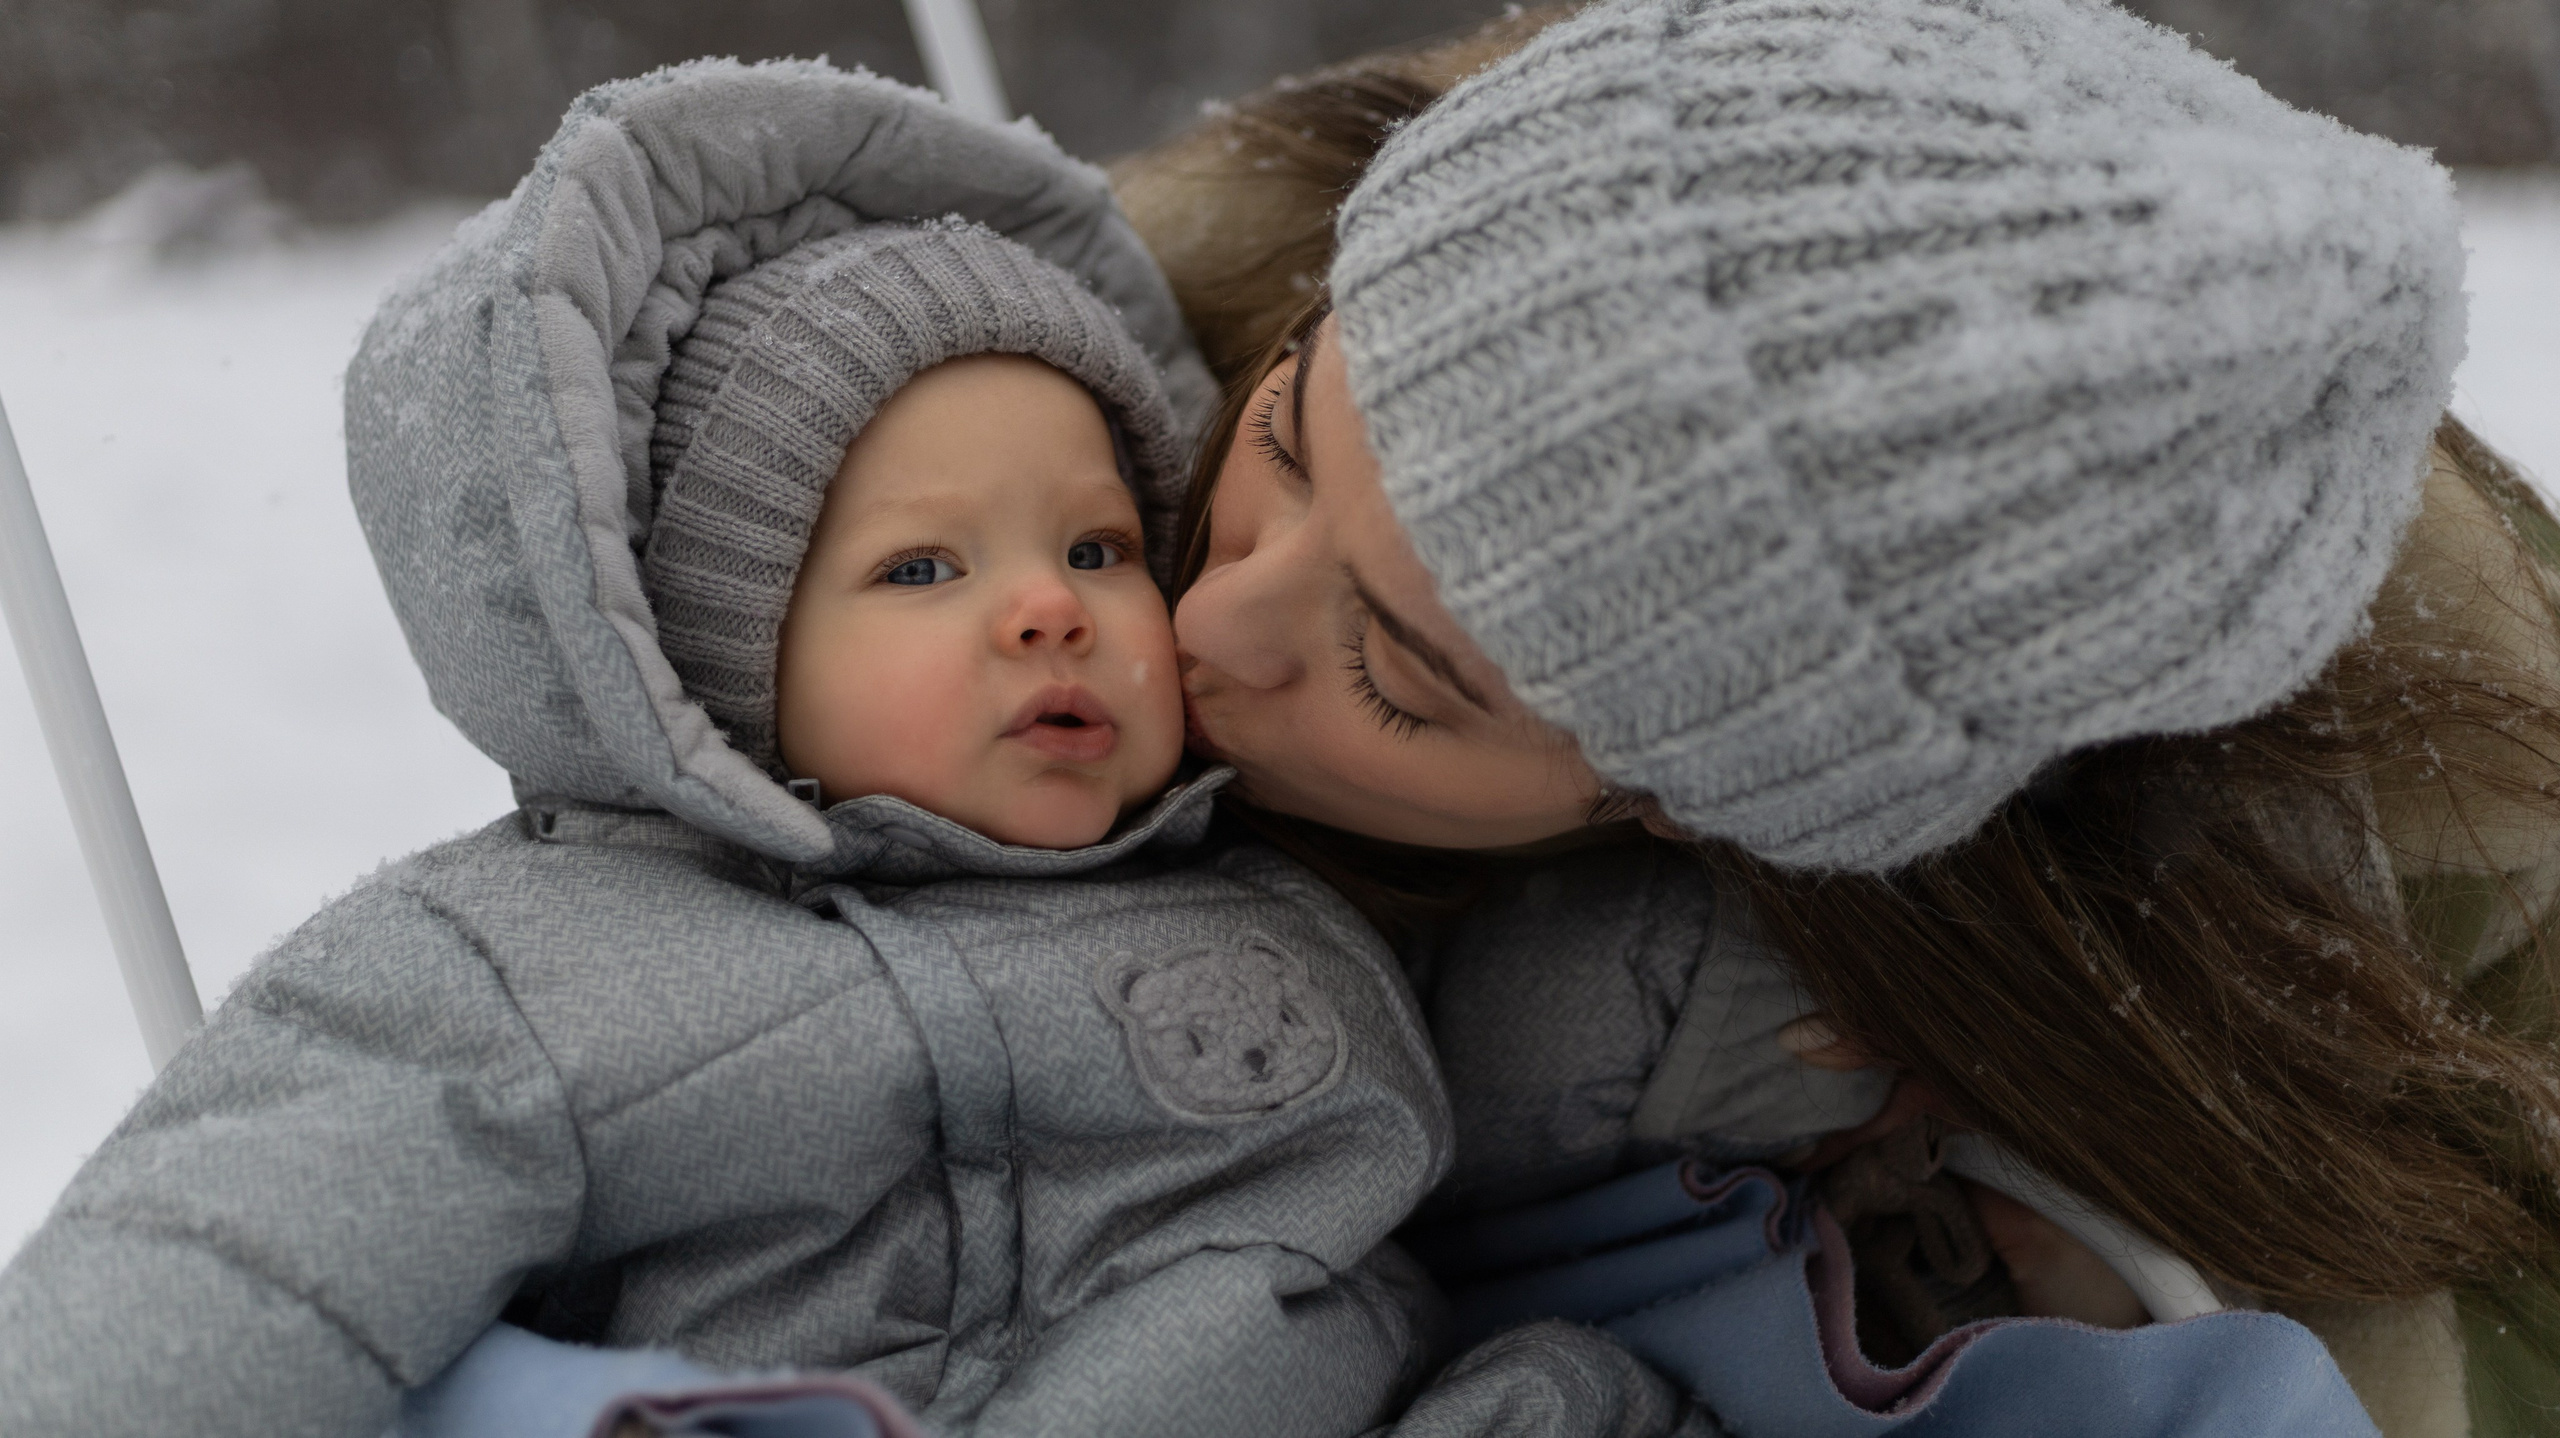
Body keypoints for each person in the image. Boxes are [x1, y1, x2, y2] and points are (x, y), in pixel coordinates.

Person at [1114, 1, 2560, 1433]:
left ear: (1680, 805)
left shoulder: (2189, 1117)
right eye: (1285, 433)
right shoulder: (1102, 316)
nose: (1209, 622)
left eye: (1396, 672)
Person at [0, 61, 1471, 1438]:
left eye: (1097, 546)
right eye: (920, 568)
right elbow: (233, 1251)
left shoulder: (1297, 872)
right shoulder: (538, 963)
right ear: (726, 654)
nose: (1050, 609)